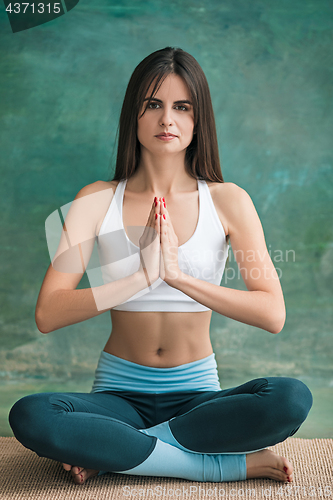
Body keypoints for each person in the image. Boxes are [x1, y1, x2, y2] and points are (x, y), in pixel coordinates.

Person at [9, 47, 312, 486]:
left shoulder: (228, 201)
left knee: (290, 399)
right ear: (134, 114)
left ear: (197, 119)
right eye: (153, 104)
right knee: (32, 415)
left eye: (181, 107)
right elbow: (47, 313)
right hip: (117, 396)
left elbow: (272, 313)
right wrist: (141, 278)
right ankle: (223, 464)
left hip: (198, 399)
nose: (166, 119)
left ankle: (115, 449)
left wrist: (177, 277)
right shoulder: (96, 200)